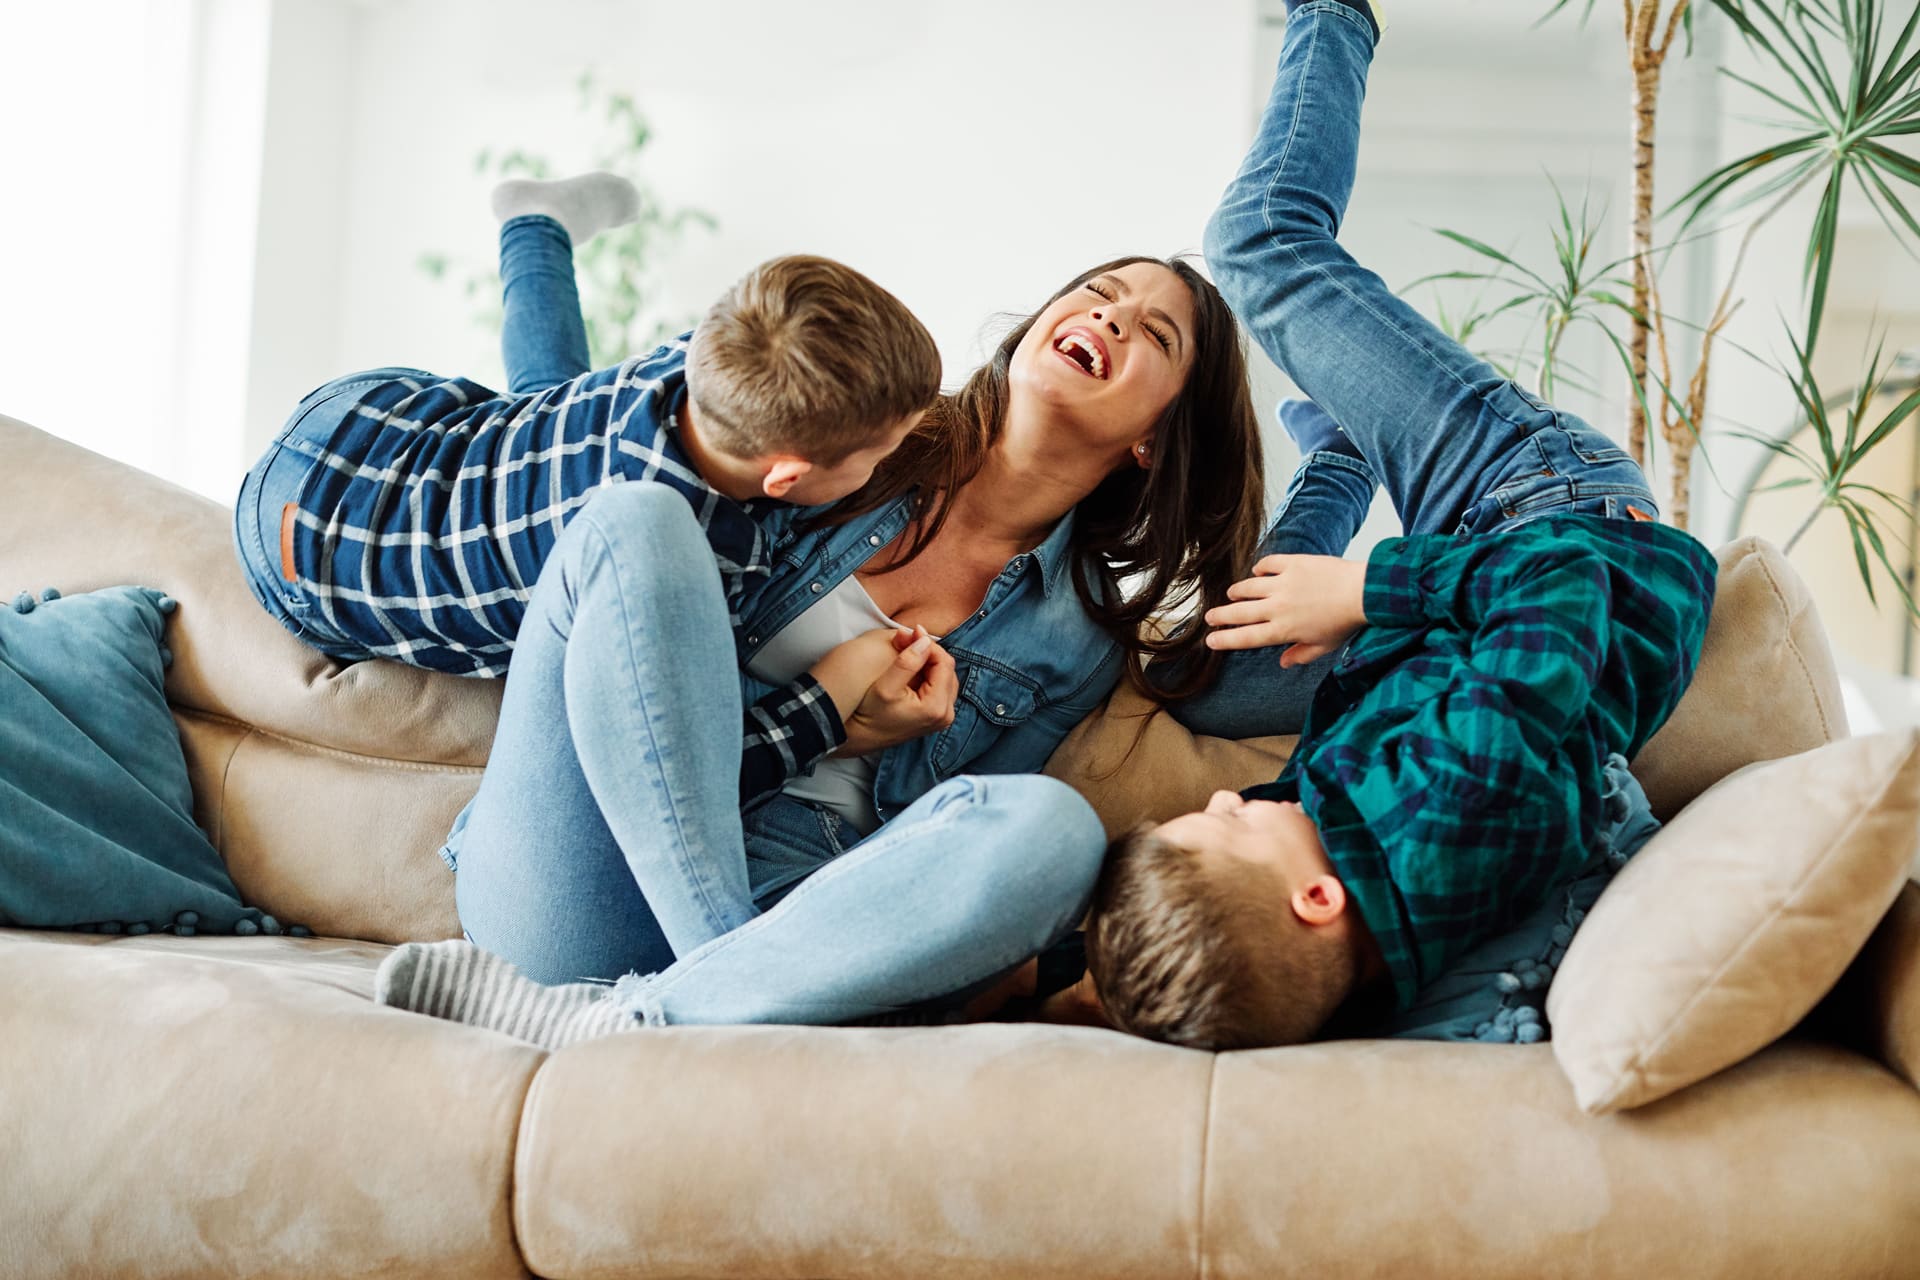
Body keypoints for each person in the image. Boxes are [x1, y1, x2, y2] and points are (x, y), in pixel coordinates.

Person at [367, 188, 1272, 1037]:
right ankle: (700, 989)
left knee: (1054, 830)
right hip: (582, 878)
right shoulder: (859, 428)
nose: (1110, 314)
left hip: (796, 914)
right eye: (1098, 291)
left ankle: (642, 1019)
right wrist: (831, 724)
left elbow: (924, 853)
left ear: (1157, 434)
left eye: (1154, 331)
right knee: (634, 515)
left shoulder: (1079, 637)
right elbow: (604, 469)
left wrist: (1349, 465)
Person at [1082, 0, 1718, 1050]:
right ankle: (1336, 14)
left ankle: (1344, 449)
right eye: (1227, 824)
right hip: (1542, 507)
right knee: (1254, 244)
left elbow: (1239, 884)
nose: (1233, 802)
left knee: (1201, 674)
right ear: (1314, 904)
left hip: (1437, 620)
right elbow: (1557, 583)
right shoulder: (1467, 788)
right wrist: (1366, 590)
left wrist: (1073, 967)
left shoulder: (1360, 914)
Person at [233, 174, 944, 802]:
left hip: (366, 412)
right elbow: (681, 767)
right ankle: (532, 228)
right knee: (551, 459)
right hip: (302, 559)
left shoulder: (695, 362)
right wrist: (834, 696)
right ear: (786, 475)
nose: (892, 461)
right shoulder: (676, 567)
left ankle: (535, 224)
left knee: (553, 404)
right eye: (882, 451)